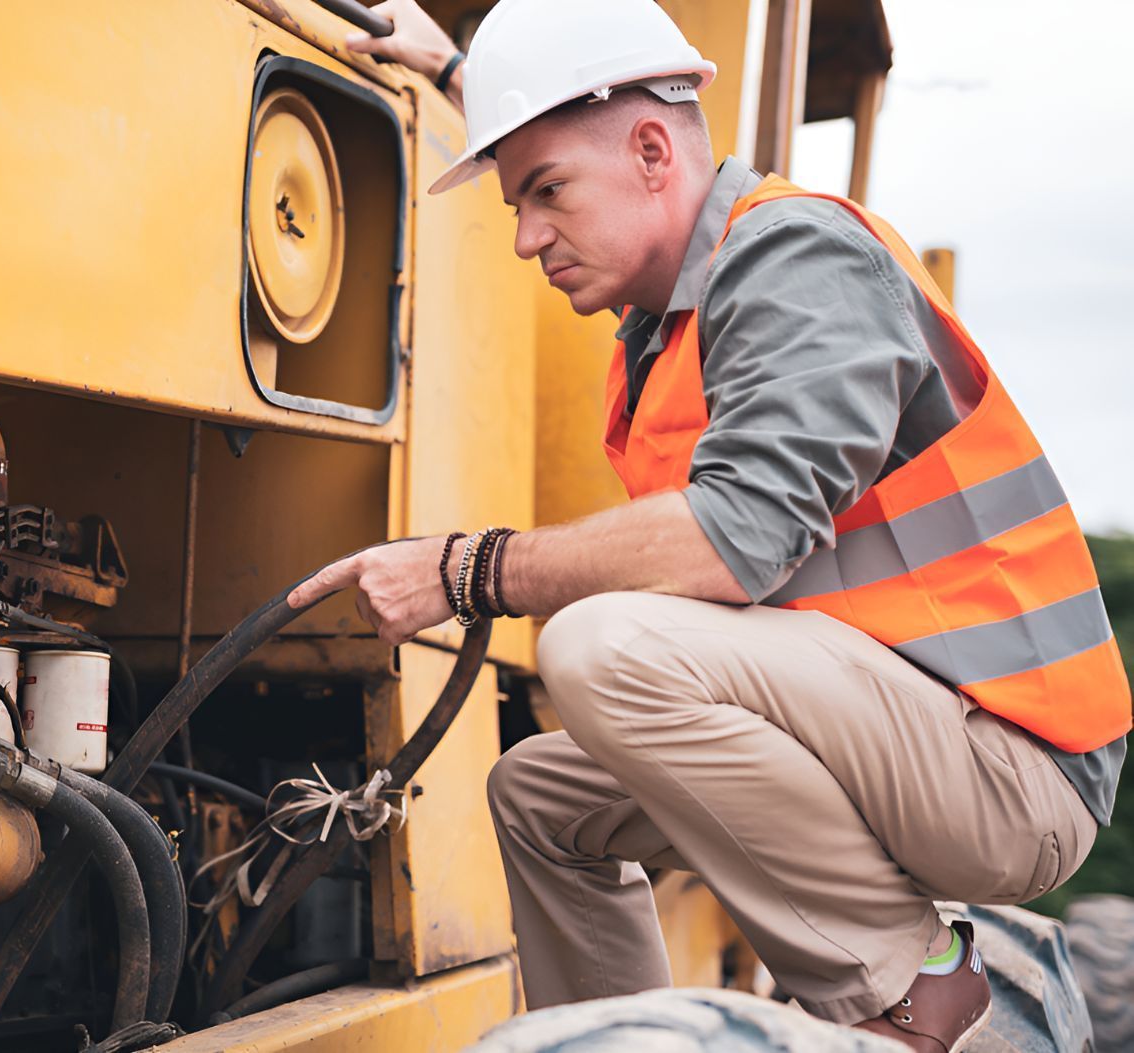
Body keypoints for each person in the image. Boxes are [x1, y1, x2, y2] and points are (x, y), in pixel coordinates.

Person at [285, 0, 1132, 1049]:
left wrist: (468, 570)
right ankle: (625, 1034)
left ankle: (919, 988)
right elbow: (585, 133)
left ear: (652, 150)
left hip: (1011, 766)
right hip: (907, 727)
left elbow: (730, 538)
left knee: (600, 645)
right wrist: (464, 70)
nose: (522, 237)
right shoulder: (671, 317)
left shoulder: (795, 258)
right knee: (538, 796)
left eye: (544, 195)